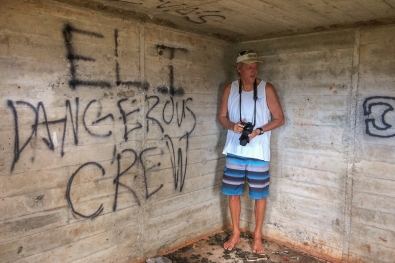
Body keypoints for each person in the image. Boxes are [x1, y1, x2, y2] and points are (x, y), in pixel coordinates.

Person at [217, 50, 285, 253]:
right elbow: (221, 116)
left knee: (259, 196)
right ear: (238, 68)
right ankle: (236, 232)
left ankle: (257, 236)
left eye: (255, 66)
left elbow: (280, 118)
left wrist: (259, 130)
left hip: (258, 153)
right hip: (235, 150)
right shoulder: (230, 88)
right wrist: (231, 126)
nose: (253, 70)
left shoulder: (266, 88)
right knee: (233, 194)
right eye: (249, 67)